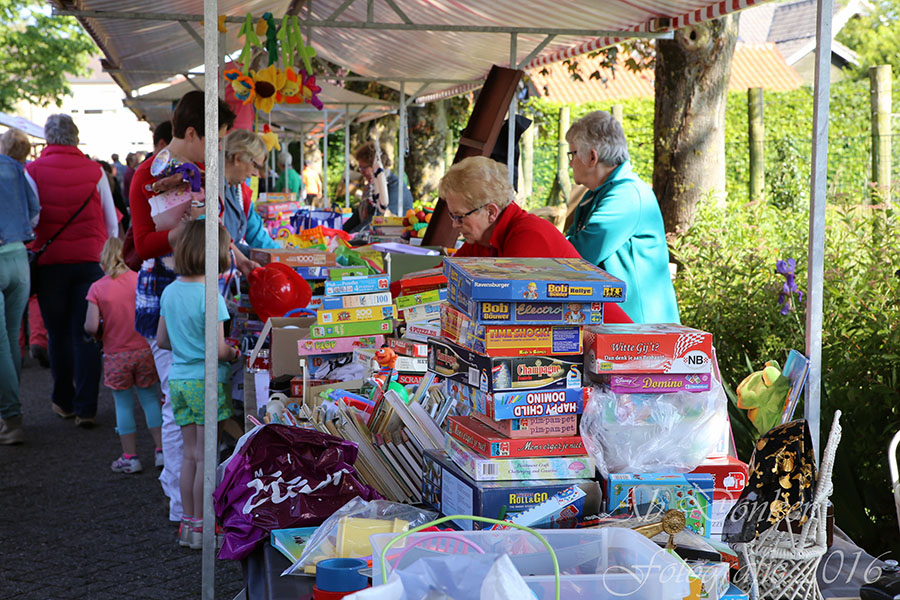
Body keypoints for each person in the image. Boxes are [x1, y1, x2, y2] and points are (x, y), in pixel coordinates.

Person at [129, 90, 236, 523]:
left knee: (192, 407)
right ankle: (182, 507)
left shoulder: (199, 171)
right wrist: (187, 228)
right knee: (180, 410)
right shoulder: (147, 176)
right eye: (213, 140)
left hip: (199, 295)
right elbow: (139, 247)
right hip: (167, 299)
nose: (217, 150)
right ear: (191, 132)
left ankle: (191, 503)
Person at [439, 156, 632, 323]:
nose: (455, 225)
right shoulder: (482, 239)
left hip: (615, 349)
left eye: (459, 216)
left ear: (490, 212)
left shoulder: (529, 236)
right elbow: (441, 280)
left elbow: (504, 311)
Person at [26, 114, 118, 427]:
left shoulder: (33, 170)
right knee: (87, 333)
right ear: (76, 138)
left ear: (49, 139)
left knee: (58, 334)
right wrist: (108, 257)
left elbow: (33, 220)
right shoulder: (96, 171)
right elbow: (111, 219)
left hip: (50, 263)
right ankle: (87, 407)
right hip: (90, 263)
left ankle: (63, 401)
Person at [156, 220, 239, 549]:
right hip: (204, 382)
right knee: (207, 457)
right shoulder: (212, 296)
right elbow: (218, 350)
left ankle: (190, 525)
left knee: (189, 456)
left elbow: (162, 340)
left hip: (178, 381)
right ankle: (207, 527)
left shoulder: (170, 291)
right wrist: (232, 353)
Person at [565, 110, 680, 324]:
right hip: (625, 329)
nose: (570, 163)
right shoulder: (597, 195)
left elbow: (579, 255)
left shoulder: (626, 195)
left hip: (643, 333)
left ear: (592, 157)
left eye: (572, 154)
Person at [84, 237, 162, 473]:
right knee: (150, 399)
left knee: (123, 405)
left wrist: (101, 327)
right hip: (144, 350)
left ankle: (131, 457)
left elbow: (89, 326)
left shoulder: (97, 288)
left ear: (104, 260)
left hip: (116, 355)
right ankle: (161, 452)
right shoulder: (139, 280)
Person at [0, 128, 40, 444]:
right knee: (11, 338)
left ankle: (12, 418)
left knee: (3, 342)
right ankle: (9, 416)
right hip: (19, 257)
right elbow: (35, 211)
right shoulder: (15, 167)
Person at [222, 129, 279, 255]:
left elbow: (255, 232)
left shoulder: (239, 191)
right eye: (255, 166)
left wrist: (281, 254)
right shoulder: (209, 189)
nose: (255, 173)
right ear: (237, 158)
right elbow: (219, 243)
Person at [343, 141, 413, 232]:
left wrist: (350, 236)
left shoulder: (395, 187)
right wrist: (340, 232)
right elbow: (358, 216)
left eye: (364, 168)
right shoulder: (371, 186)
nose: (361, 171)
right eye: (360, 168)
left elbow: (379, 219)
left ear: (375, 165)